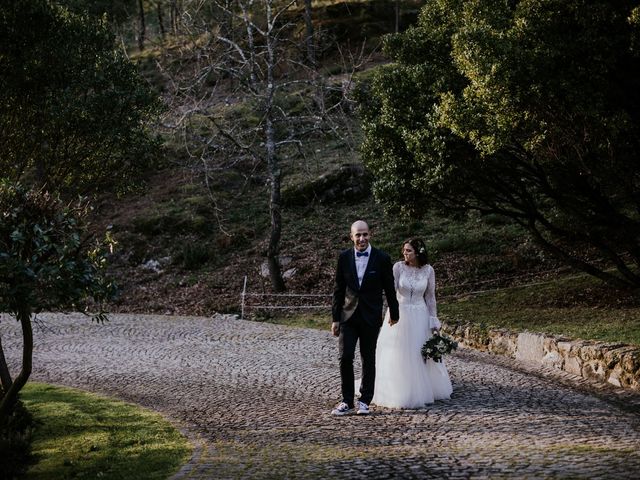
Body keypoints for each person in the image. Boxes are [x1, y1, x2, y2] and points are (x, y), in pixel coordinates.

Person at [371, 238, 453, 409]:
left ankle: (420, 389)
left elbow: (430, 297)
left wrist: (434, 322)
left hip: (420, 314)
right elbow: (391, 291)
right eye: (404, 250)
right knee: (398, 352)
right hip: (399, 314)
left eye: (408, 250)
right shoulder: (398, 267)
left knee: (418, 352)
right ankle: (397, 389)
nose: (405, 253)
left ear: (418, 252)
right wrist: (389, 313)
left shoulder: (429, 270)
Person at [331, 220, 399, 416]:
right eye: (358, 235)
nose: (362, 238)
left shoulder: (382, 258)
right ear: (351, 236)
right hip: (348, 316)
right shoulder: (343, 258)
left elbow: (389, 288)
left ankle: (364, 400)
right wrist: (335, 318)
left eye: (365, 234)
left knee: (368, 358)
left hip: (370, 316)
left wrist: (394, 313)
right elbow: (338, 290)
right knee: (345, 357)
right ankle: (346, 401)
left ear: (370, 235)